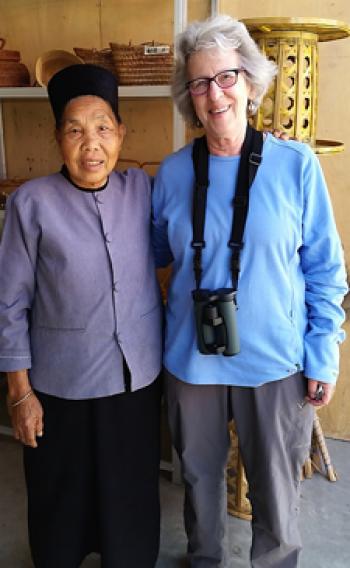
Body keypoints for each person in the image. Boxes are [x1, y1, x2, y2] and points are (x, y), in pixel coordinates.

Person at [152, 14, 348, 568]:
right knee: (199, 485)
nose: (214, 94)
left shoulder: (295, 165)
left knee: (277, 495)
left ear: (251, 82)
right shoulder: (170, 174)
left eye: (226, 77)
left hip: (275, 363)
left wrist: (322, 356)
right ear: (188, 96)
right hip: (192, 363)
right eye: (199, 82)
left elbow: (327, 270)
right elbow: (154, 253)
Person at [0, 64, 162, 568]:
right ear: (57, 138)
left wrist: (261, 146)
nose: (90, 145)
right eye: (75, 130)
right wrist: (20, 393)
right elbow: (8, 303)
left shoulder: (142, 189)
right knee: (60, 500)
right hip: (59, 389)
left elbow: (206, 177)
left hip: (134, 381)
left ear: (120, 135)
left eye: (102, 129)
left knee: (130, 493)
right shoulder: (30, 203)